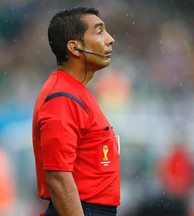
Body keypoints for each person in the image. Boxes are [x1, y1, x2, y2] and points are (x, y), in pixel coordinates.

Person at [32, 7, 120, 216]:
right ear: (75, 47)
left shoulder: (76, 91)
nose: (110, 39)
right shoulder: (62, 98)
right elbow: (59, 179)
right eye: (99, 32)